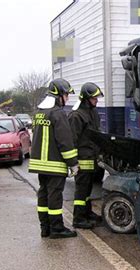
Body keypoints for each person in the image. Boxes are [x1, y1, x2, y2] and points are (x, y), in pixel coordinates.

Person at [28, 78, 79, 239]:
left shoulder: (39, 112)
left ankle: (45, 228)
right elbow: (65, 141)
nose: (67, 98)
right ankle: (57, 229)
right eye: (66, 95)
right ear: (59, 95)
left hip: (39, 165)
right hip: (55, 165)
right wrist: (73, 164)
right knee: (55, 196)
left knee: (43, 194)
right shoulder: (58, 114)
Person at [68, 82, 104, 229]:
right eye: (94, 98)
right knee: (81, 190)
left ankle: (87, 212)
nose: (97, 100)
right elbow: (72, 139)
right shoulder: (76, 116)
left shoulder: (93, 112)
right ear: (86, 98)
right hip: (82, 159)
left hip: (92, 157)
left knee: (88, 189)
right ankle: (78, 218)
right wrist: (73, 162)